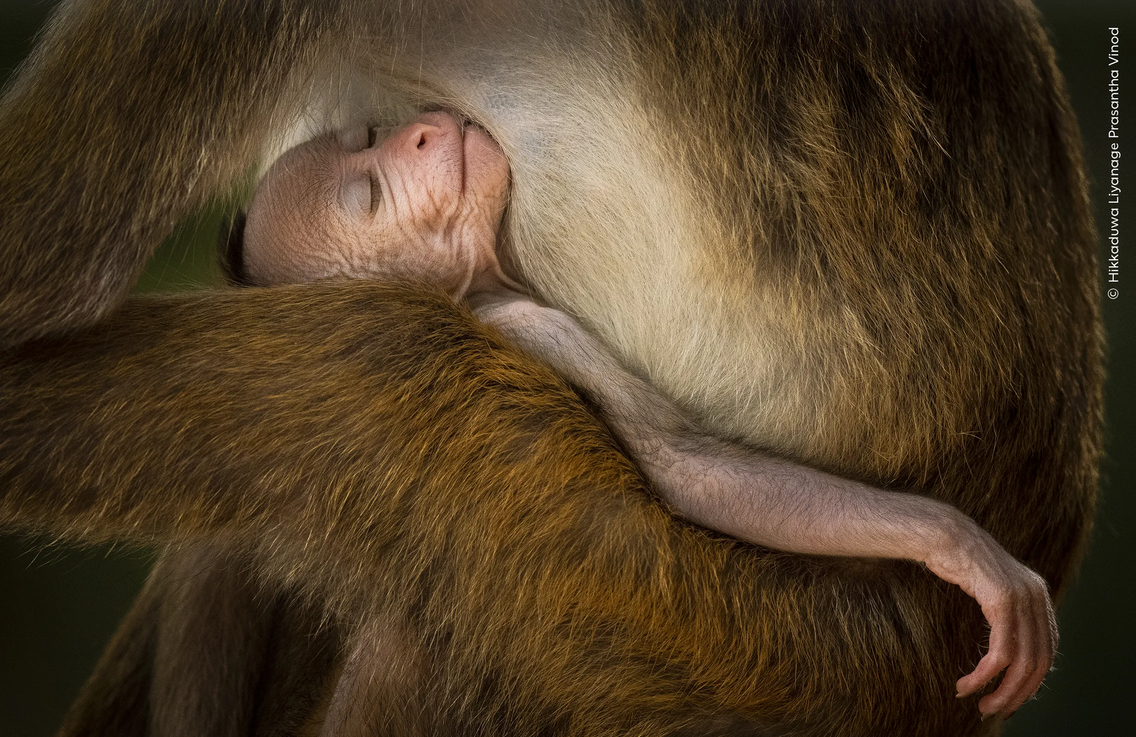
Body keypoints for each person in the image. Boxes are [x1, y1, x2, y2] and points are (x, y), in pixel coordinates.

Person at [230, 111, 1055, 702]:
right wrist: (940, 535)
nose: (410, 136)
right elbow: (688, 472)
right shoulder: (513, 336)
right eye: (371, 196)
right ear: (397, 315)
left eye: (368, 134)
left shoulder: (507, 295)